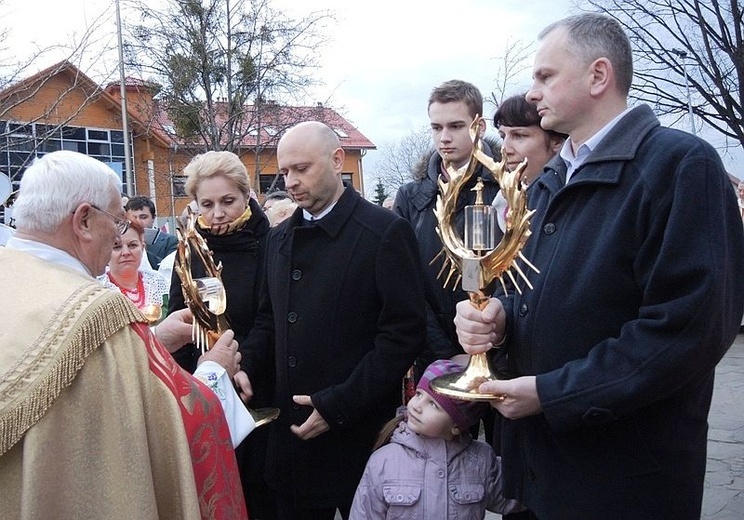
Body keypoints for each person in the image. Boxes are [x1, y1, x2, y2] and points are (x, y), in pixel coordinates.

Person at [453, 13, 744, 520]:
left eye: (545, 76)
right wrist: (501, 317)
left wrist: (553, 394)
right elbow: (547, 293)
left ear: (598, 76)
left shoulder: (680, 166)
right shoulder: (547, 182)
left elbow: (688, 330)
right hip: (542, 472)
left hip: (625, 479)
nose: (534, 91)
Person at [0, 150, 248, 518]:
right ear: (84, 220)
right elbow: (162, 433)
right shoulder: (96, 312)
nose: (120, 236)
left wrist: (153, 341)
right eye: (117, 222)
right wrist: (213, 370)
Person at [241, 121, 426, 519]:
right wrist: (246, 367)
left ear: (337, 159)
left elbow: (403, 335)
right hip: (291, 441)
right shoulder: (278, 239)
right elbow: (268, 320)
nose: (290, 181)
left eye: (302, 169)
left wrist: (339, 405)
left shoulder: (384, 232)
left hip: (360, 438)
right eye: (284, 171)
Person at [393, 79, 501, 447]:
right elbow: (405, 283)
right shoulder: (412, 197)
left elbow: (501, 274)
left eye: (455, 126)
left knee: (501, 467)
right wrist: (444, 350)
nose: (444, 137)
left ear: (479, 126)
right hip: (434, 351)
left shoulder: (503, 187)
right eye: (436, 127)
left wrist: (482, 342)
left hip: (496, 346)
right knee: (440, 462)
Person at [167, 150, 274, 518]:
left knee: (259, 489)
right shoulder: (190, 249)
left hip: (259, 381)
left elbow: (271, 316)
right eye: (206, 204)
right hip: (205, 381)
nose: (217, 213)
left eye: (227, 201)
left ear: (247, 196)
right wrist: (203, 367)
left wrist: (245, 365)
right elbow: (177, 315)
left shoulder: (271, 244)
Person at [350, 359, 523, 519]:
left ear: (457, 424)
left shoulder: (481, 460)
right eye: (418, 394)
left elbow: (518, 496)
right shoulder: (383, 461)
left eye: (433, 404)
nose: (417, 406)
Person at [491, 94, 566, 232]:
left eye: (519, 135)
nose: (505, 149)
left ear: (556, 142)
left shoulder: (569, 202)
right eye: (503, 137)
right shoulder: (499, 203)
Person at [98, 219, 169, 321]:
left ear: (143, 248)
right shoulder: (99, 290)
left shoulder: (158, 284)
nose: (126, 252)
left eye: (132, 245)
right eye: (117, 247)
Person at [125, 194, 179, 269]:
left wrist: (142, 251)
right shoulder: (121, 240)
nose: (138, 221)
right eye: (133, 217)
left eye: (143, 217)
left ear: (153, 218)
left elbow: (170, 268)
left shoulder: (170, 241)